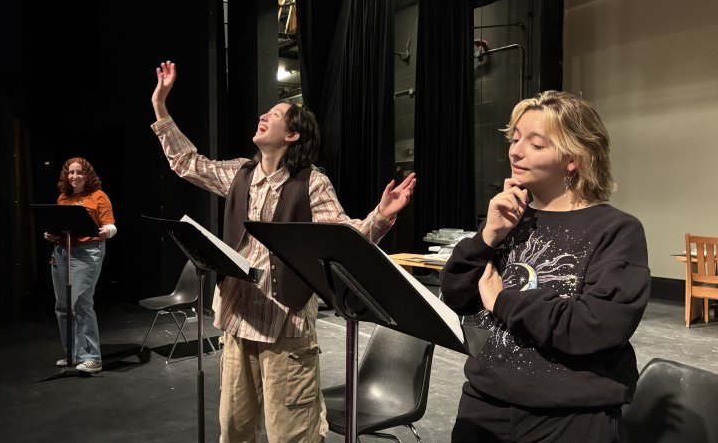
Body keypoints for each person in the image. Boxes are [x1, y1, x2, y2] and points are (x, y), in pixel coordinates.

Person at [150, 60, 416, 442]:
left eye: (274, 115)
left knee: (292, 435)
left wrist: (381, 216)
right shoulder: (240, 173)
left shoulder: (312, 183)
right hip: (237, 323)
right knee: (234, 431)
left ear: (292, 135)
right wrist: (161, 105)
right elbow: (187, 163)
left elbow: (346, 236)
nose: (263, 116)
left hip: (285, 330)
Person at [441, 91, 650, 442]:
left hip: (568, 417)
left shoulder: (617, 230)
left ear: (573, 159)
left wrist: (503, 301)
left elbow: (595, 326)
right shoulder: (508, 217)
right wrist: (486, 238)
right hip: (483, 405)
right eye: (516, 139)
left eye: (536, 145)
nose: (516, 151)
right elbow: (456, 295)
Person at [43, 157, 117, 374]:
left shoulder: (98, 197)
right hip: (62, 252)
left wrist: (107, 231)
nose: (74, 176)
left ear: (87, 175)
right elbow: (59, 225)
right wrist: (51, 234)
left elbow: (111, 226)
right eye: (70, 173)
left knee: (80, 304)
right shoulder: (63, 198)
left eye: (79, 172)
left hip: (86, 254)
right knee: (62, 306)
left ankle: (92, 357)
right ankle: (73, 354)